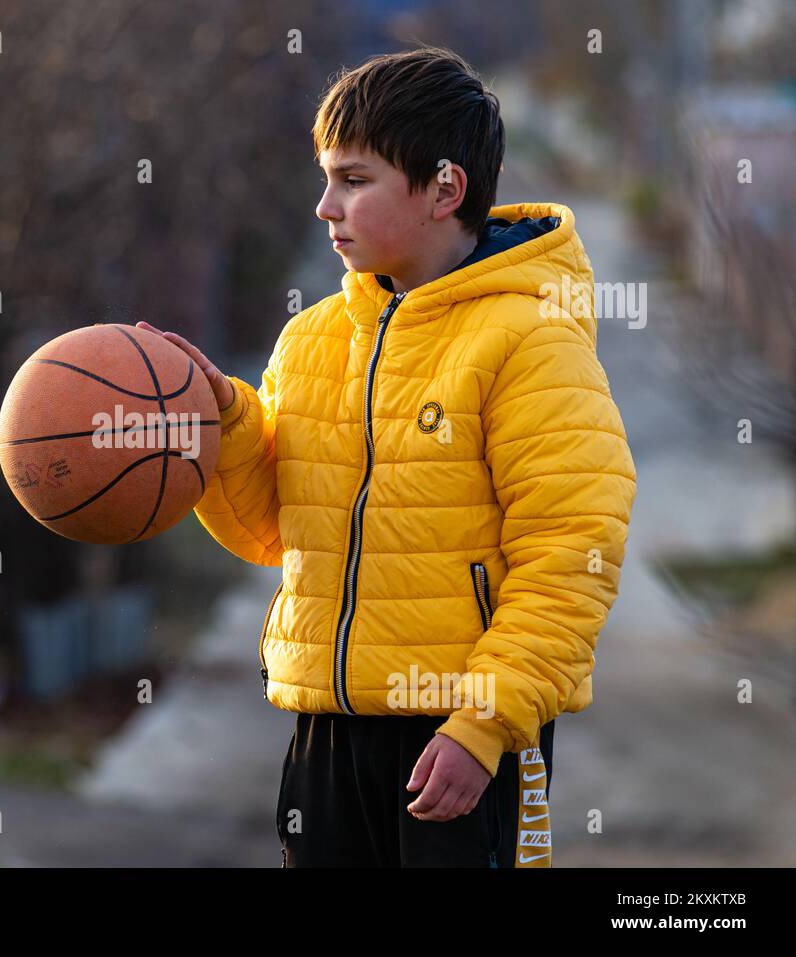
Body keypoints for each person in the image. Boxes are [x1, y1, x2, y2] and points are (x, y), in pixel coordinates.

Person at [136, 46, 636, 867]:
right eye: (326, 177)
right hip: (326, 736)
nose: (325, 205)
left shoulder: (533, 342)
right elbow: (274, 530)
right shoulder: (311, 340)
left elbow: (570, 558)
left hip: (464, 742)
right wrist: (219, 417)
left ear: (445, 188)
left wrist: (483, 725)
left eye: (355, 180)